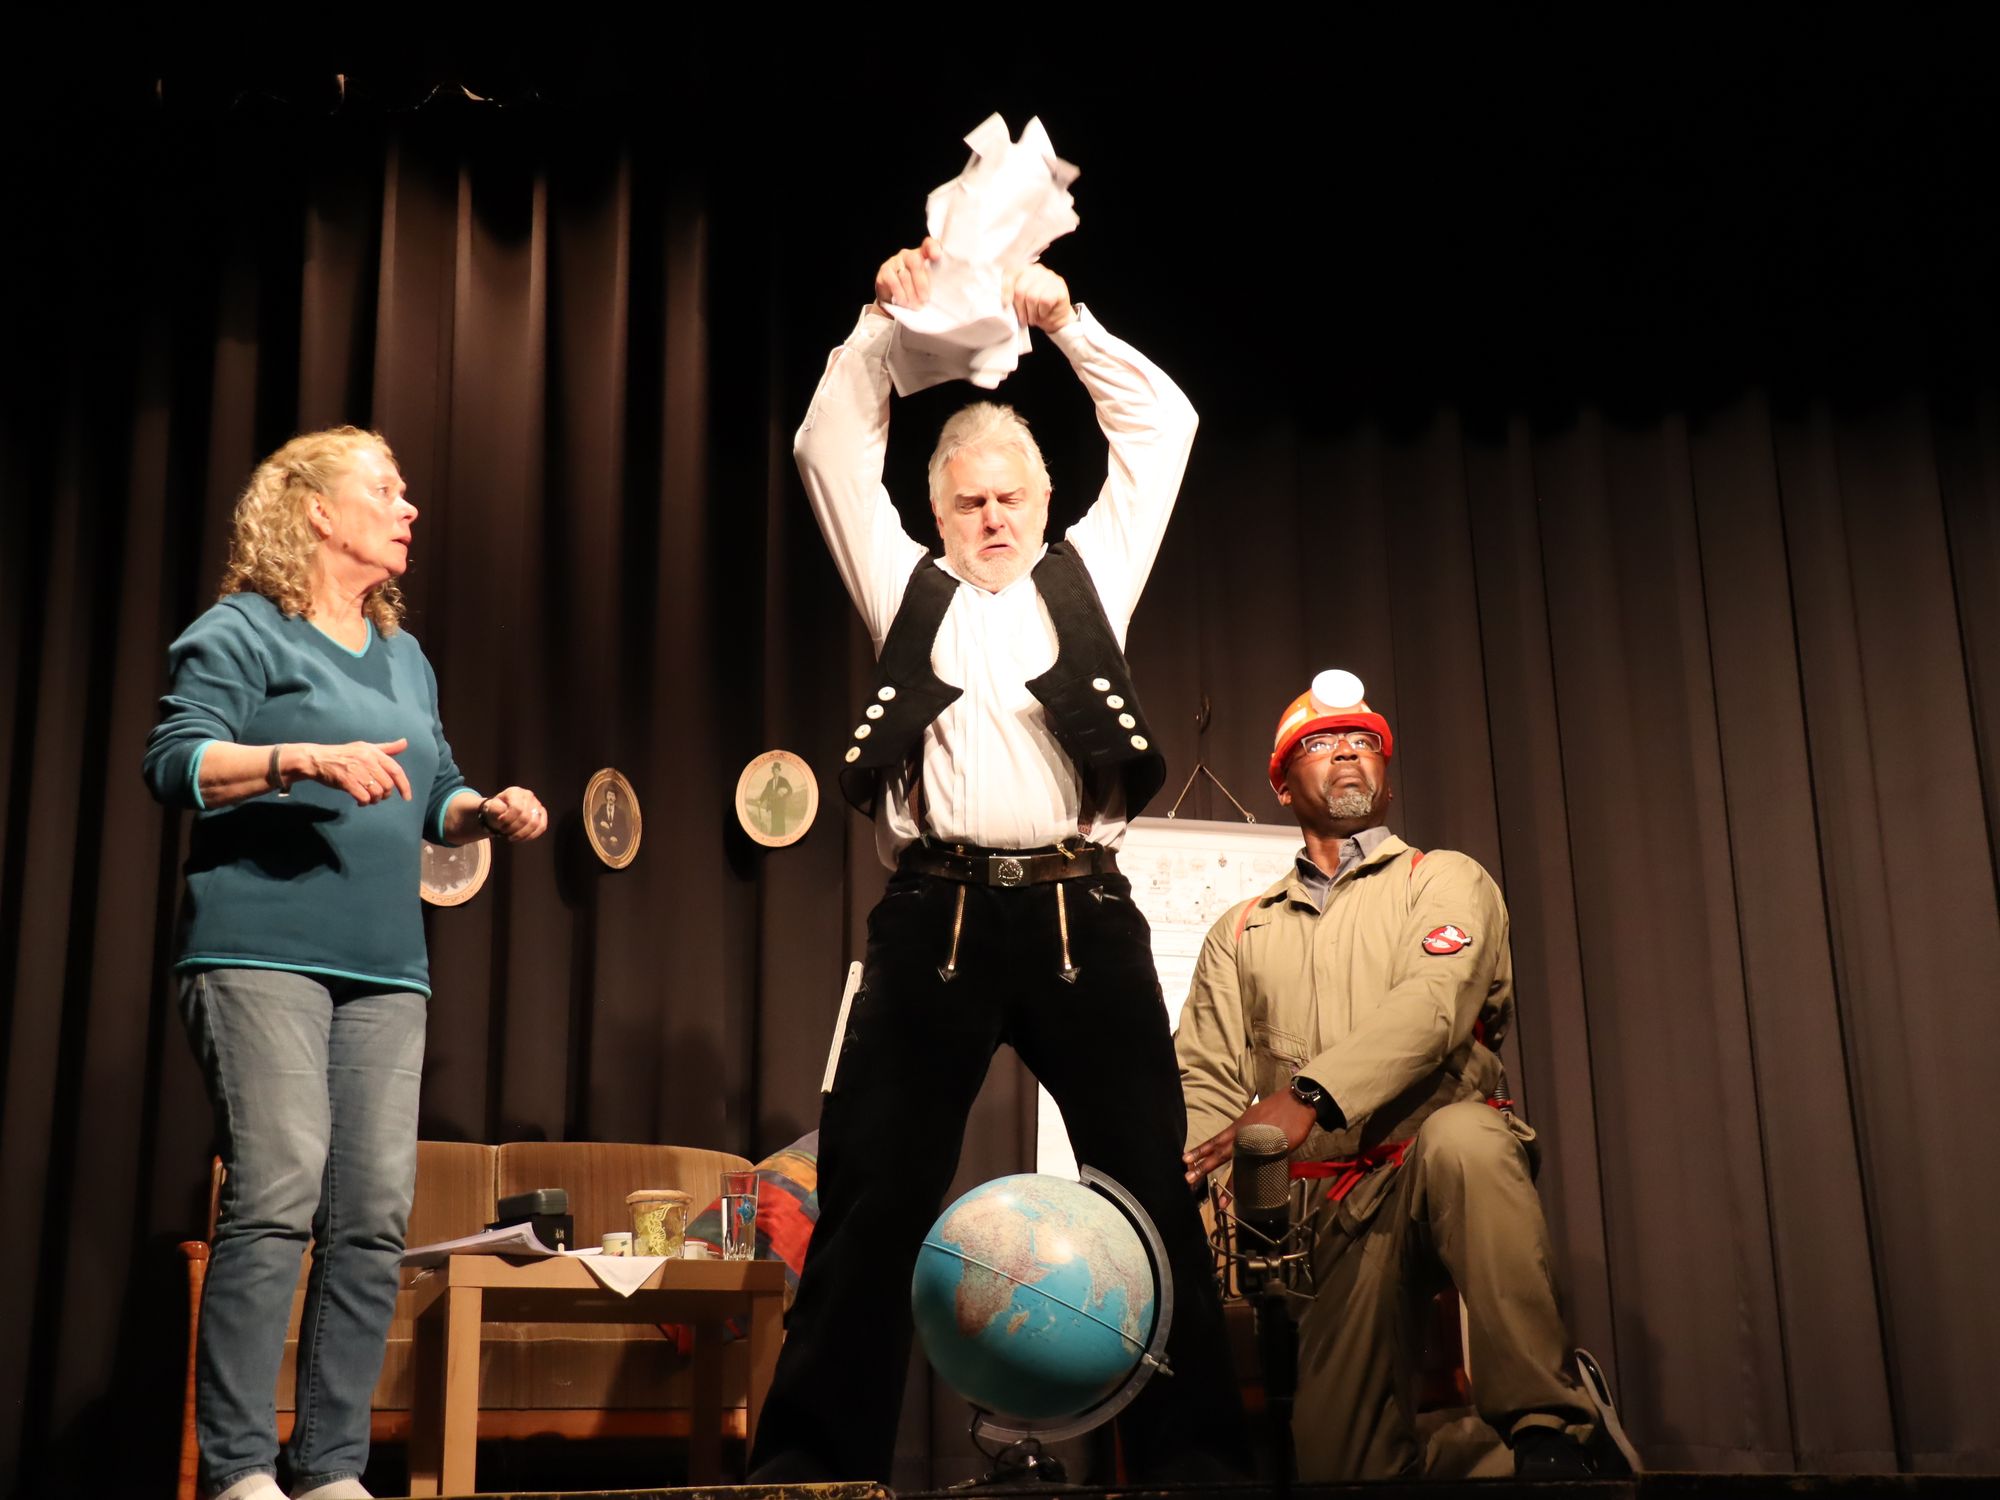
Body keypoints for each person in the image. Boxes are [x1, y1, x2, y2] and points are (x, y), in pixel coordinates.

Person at [748, 240, 1250, 1483]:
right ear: (936, 513)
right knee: (870, 1201)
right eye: (968, 502)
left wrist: (1068, 325)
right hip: (935, 923)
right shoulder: (904, 588)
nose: (990, 520)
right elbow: (825, 447)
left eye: (1009, 500)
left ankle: (1193, 1471)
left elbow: (1164, 426)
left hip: (1083, 918)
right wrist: (881, 319)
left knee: (1149, 1195)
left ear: (1042, 501)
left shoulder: (1091, 574)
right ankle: (812, 1471)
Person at [143, 427, 548, 1500]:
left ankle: (328, 1468)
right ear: (316, 510)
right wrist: (296, 757)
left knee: (370, 1214)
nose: (409, 508)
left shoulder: (404, 656)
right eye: (385, 489)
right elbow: (174, 760)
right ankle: (239, 1468)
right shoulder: (244, 628)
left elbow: (434, 787)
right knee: (278, 1191)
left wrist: (484, 809)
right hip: (258, 953)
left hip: (386, 969)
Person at [1174, 672, 1639, 1480]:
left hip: (1438, 1160)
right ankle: (1499, 1455)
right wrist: (1199, 1190)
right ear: (1281, 784)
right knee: (1342, 1467)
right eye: (1321, 744)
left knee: (1466, 1138)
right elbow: (1206, 1078)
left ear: (1385, 776)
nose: (1347, 753)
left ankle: (1550, 1425)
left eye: (1363, 743)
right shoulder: (1242, 930)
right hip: (1332, 1208)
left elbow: (1434, 1003)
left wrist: (1309, 1095)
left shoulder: (1442, 878)